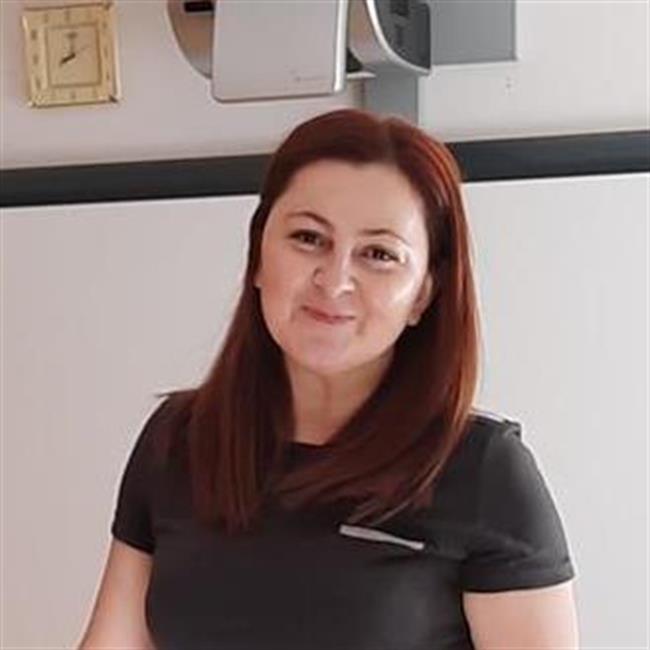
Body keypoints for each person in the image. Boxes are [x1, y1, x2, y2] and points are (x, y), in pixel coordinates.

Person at [77, 108, 579, 649]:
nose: (335, 280)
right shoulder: (177, 439)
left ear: (423, 295)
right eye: (309, 238)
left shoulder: (484, 472)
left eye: (379, 254)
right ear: (258, 257)